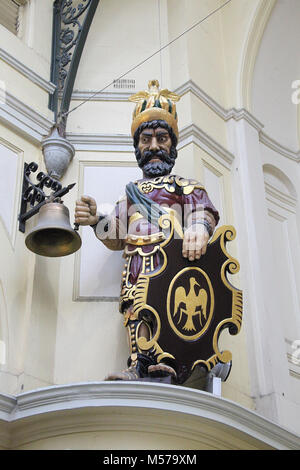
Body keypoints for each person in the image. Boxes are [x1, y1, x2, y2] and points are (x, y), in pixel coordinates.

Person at [75, 80, 219, 382]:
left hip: (173, 264)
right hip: (137, 264)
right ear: (137, 147)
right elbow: (116, 234)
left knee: (167, 305)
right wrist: (94, 220)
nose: (153, 146)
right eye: (146, 139)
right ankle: (138, 364)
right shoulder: (130, 193)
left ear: (172, 145)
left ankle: (169, 361)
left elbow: (203, 211)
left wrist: (197, 228)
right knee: (138, 311)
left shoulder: (183, 187)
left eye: (162, 138)